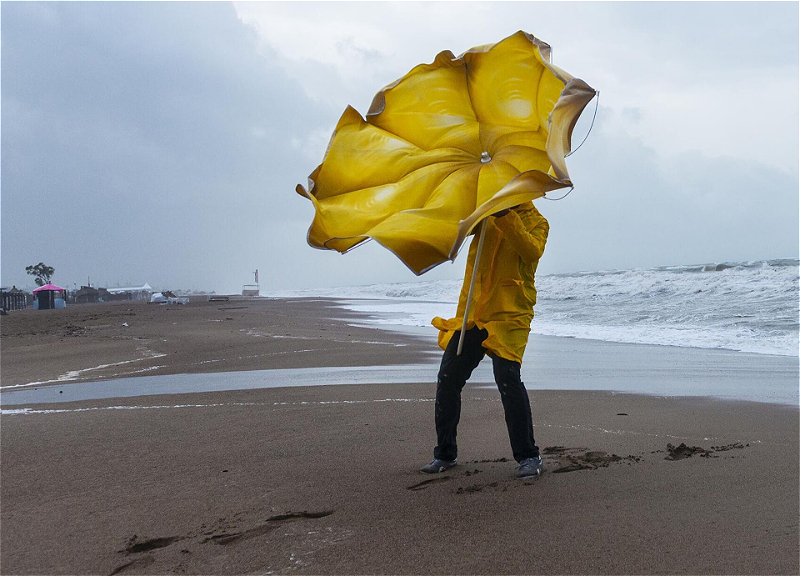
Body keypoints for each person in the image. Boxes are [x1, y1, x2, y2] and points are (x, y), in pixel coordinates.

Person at [421, 201, 549, 479]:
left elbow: (530, 250)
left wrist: (504, 215)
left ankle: (529, 456)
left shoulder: (537, 221)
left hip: (510, 315)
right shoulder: (484, 216)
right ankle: (445, 453)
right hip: (475, 313)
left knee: (508, 379)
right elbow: (456, 233)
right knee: (448, 377)